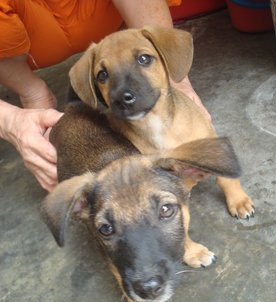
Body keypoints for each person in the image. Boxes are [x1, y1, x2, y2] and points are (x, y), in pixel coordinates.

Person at [0, 0, 210, 192]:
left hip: (100, 13)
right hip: (25, 35)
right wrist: (10, 120)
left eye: (144, 59)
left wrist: (176, 76)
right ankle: (30, 90)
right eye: (102, 75)